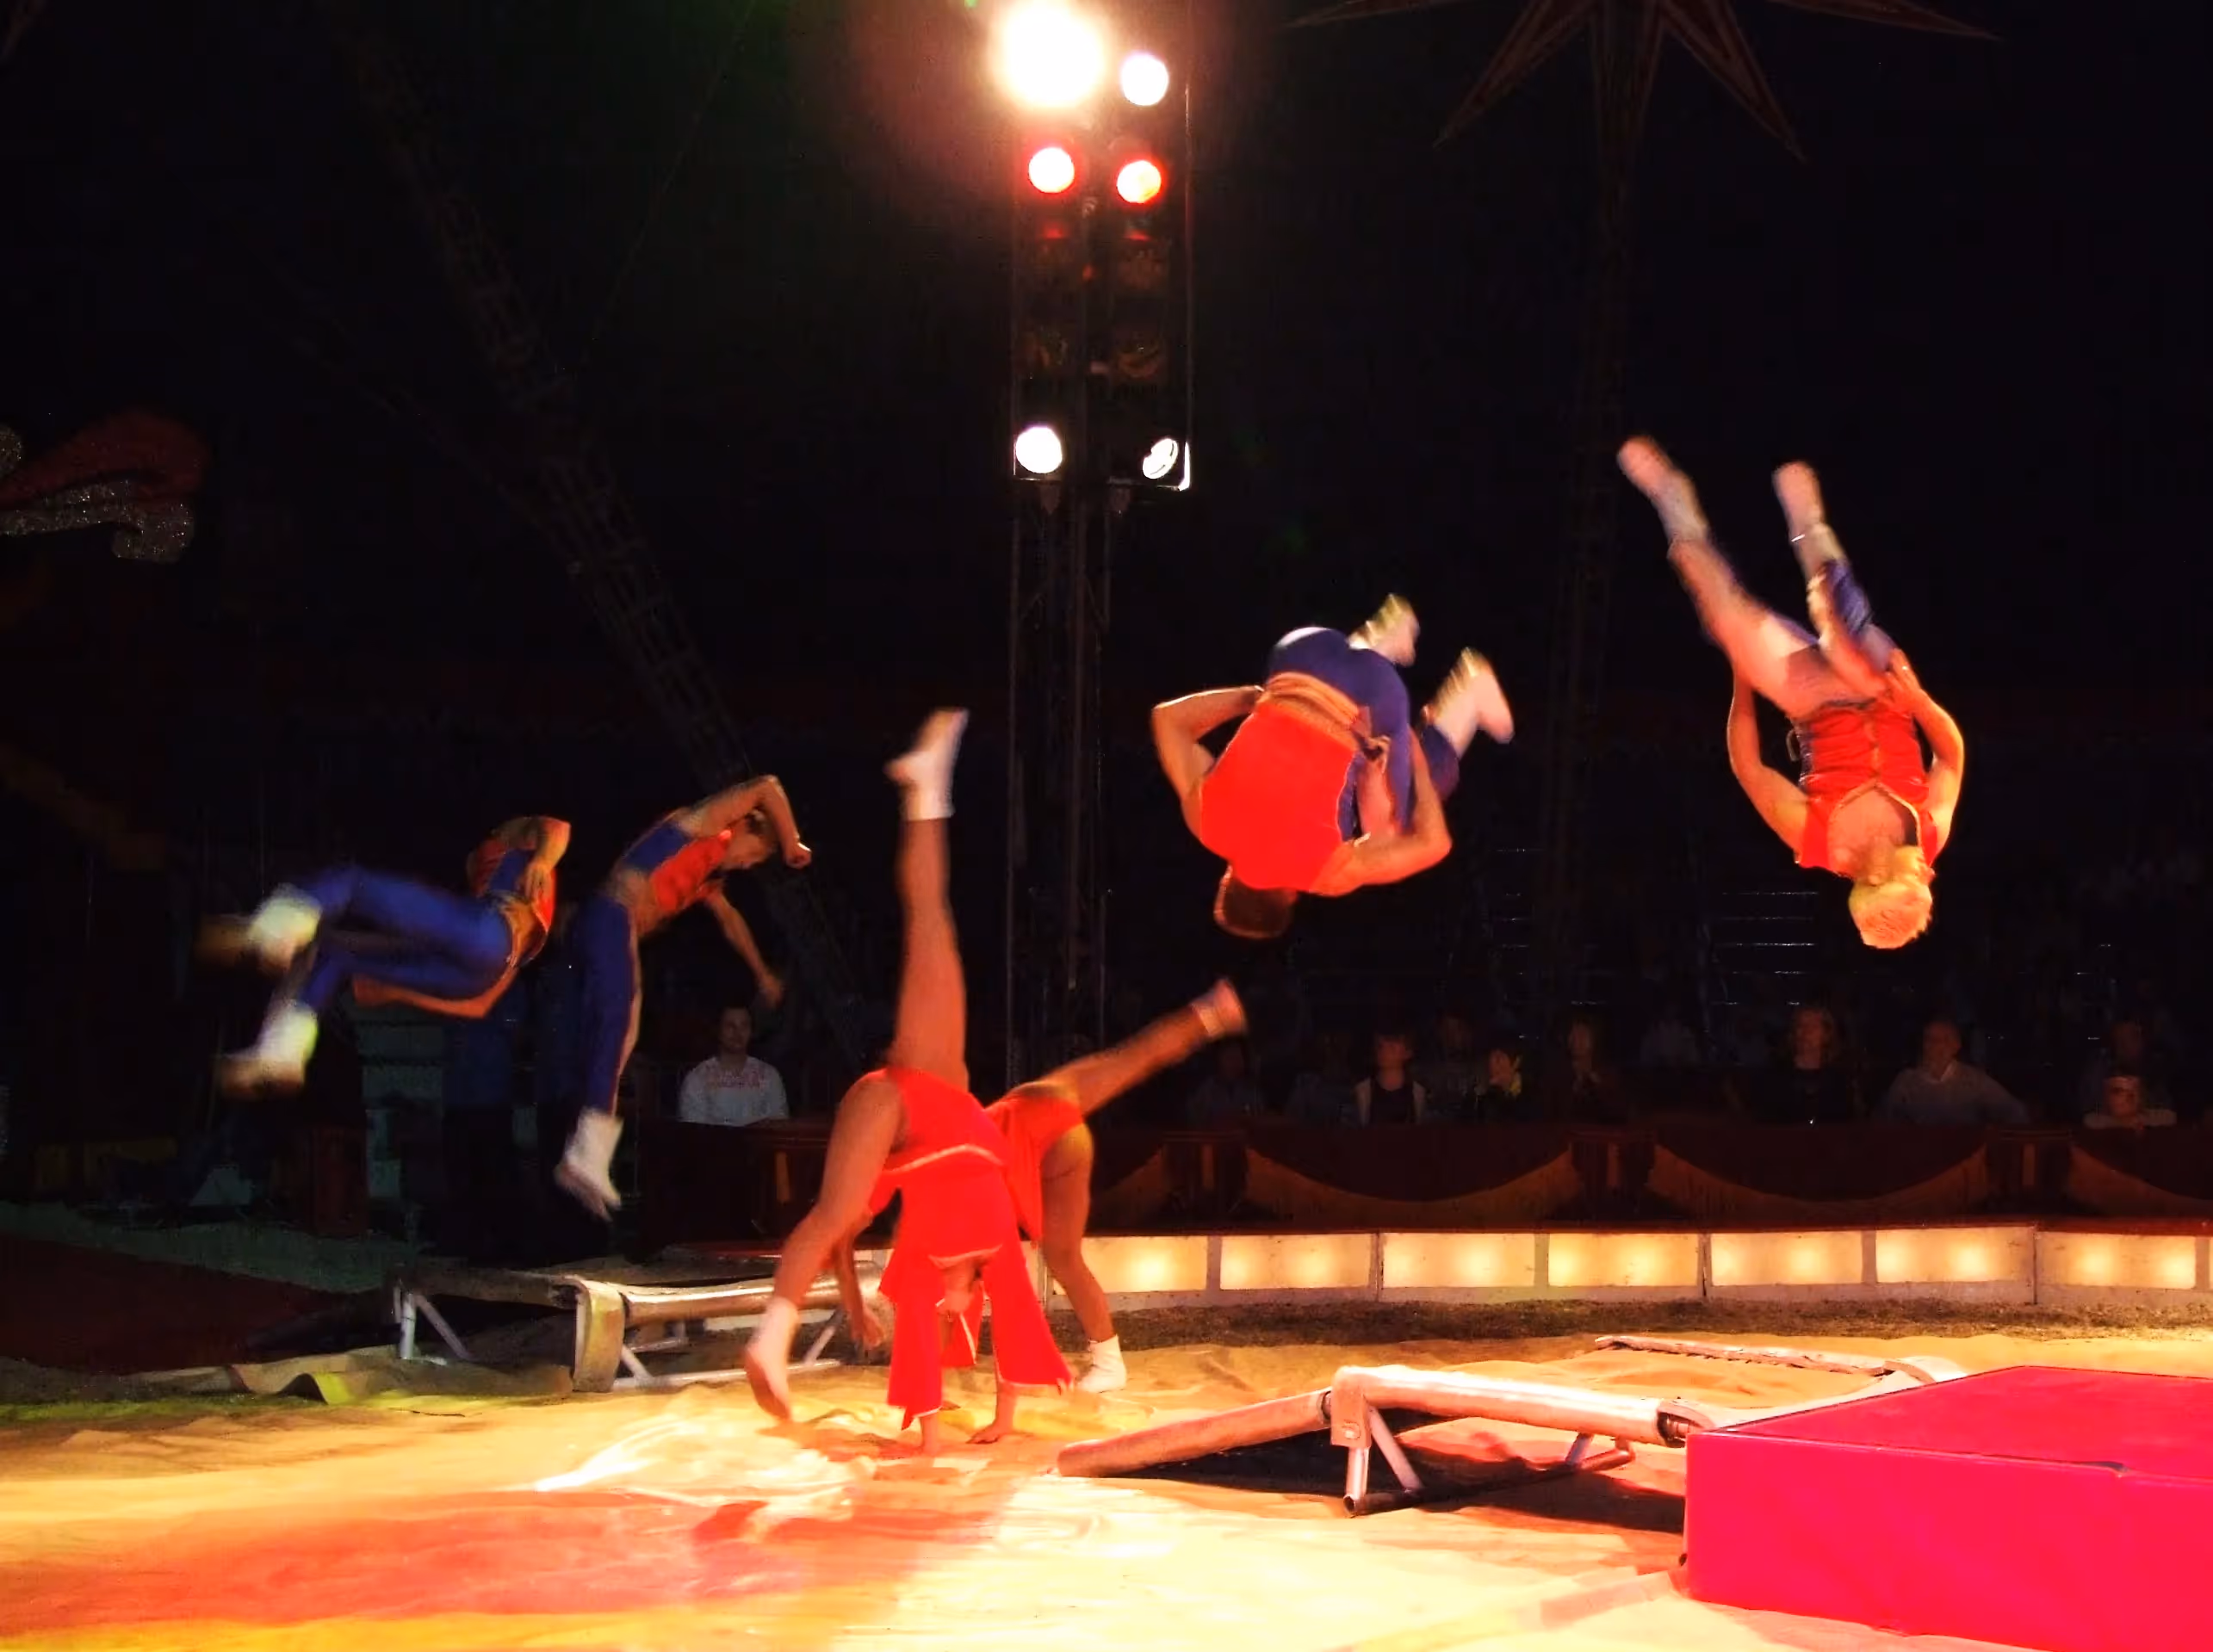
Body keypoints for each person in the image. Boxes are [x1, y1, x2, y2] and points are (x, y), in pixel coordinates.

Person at [744, 712, 1069, 1452]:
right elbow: (1019, 1327)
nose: (956, 1306)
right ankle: (770, 1340)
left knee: (931, 920)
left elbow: (846, 1236)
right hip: (913, 1096)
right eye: (964, 1307)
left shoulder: (921, 1256)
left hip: (905, 1091)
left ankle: (773, 1334)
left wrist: (859, 1308)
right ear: (973, 1292)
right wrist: (1001, 1419)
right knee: (931, 924)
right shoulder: (995, 1248)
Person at [1619, 437, 1964, 950]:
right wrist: (1919, 703)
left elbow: (1750, 769)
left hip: (1812, 701)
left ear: (1876, 877)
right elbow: (1951, 758)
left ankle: (1672, 497)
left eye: (1919, 880)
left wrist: (1742, 674)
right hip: (1885, 689)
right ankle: (1809, 526)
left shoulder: (1816, 841)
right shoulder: (1929, 834)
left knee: (1722, 614)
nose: (1931, 872)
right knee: (1844, 640)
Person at [1151, 597, 1514, 939]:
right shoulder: (1203, 818)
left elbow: (1435, 844)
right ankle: (1386, 634)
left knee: (1394, 826)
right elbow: (1166, 719)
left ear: (1289, 897)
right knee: (1356, 761)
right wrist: (1252, 697)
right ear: (1227, 878)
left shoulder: (1324, 877)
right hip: (1297, 652)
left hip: (1373, 692)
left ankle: (1470, 691)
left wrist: (1416, 761)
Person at [555, 779, 811, 1217]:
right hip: (610, 914)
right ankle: (585, 1154)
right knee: (621, 1018)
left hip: (606, 927)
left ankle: (585, 1151)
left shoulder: (707, 877)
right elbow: (765, 786)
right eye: (754, 855)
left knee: (620, 1031)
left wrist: (762, 974)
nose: (748, 865)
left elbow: (731, 923)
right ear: (745, 829)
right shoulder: (697, 825)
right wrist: (791, 842)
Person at [976, 979, 1245, 1393]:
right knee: (1134, 1058)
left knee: (1054, 1259)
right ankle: (1207, 1014)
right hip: (1054, 1119)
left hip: (1042, 1127)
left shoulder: (952, 1173)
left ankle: (1104, 1363)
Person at [203, 815, 569, 1092]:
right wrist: (397, 988)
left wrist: (541, 861)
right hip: (474, 976)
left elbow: (557, 828)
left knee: (351, 881)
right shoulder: (512, 912)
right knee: (334, 952)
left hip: (486, 938)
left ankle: (274, 930)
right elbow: (480, 1005)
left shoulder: (515, 848)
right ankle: (283, 1051)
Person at [677, 1005, 789, 1129]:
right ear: (718, 1030)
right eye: (730, 1026)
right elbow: (694, 1132)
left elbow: (779, 1125)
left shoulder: (769, 1075)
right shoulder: (697, 1078)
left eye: (744, 1026)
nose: (738, 1033)